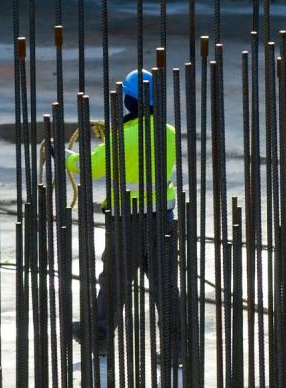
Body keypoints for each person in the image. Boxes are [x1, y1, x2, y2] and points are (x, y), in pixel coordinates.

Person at [66, 69, 184, 365]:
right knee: (165, 285)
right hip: (162, 220)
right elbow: (137, 145)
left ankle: (100, 336)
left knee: (114, 280)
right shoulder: (167, 132)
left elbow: (89, 167)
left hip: (127, 222)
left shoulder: (123, 138)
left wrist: (61, 155)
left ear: (129, 101)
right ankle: (176, 349)